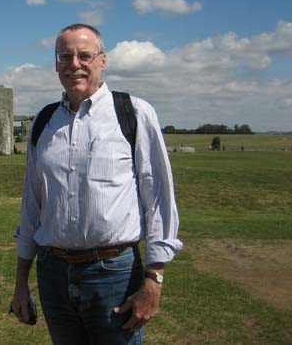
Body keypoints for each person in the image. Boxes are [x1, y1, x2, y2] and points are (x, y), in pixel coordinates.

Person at [11, 24, 182, 344]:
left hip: (114, 274)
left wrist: (154, 278)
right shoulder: (44, 121)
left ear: (102, 61)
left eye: (84, 55)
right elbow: (32, 205)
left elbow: (158, 198)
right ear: (56, 64)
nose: (74, 64)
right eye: (65, 56)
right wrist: (21, 281)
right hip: (53, 274)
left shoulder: (133, 113)